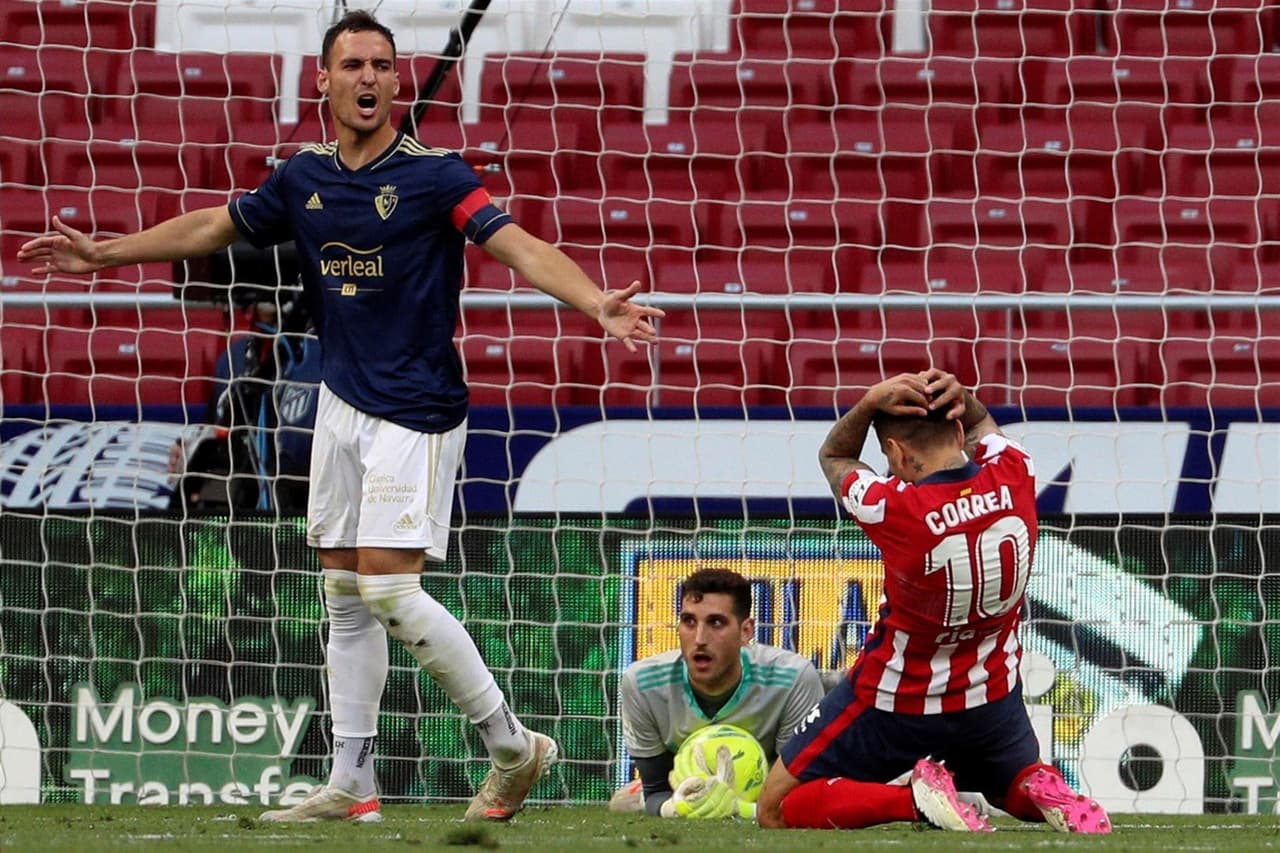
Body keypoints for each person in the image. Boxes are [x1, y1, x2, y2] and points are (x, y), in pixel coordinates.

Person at [18, 10, 663, 824]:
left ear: (398, 80)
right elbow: (214, 225)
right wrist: (106, 253)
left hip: (418, 408)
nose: (368, 77)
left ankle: (511, 743)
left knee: (389, 588)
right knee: (342, 593)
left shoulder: (436, 176)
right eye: (352, 64)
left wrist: (594, 300)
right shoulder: (301, 177)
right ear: (322, 80)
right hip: (341, 403)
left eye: (382, 66)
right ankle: (352, 779)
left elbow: (517, 245)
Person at [754, 369, 1111, 834]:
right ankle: (1039, 784)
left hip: (896, 700)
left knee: (776, 807)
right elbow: (986, 428)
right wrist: (966, 396)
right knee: (1011, 779)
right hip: (991, 696)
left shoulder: (895, 506)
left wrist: (866, 405)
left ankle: (917, 801)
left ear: (895, 452)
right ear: (958, 430)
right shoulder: (1015, 470)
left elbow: (835, 454)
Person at [612, 568, 825, 818]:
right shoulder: (642, 684)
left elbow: (800, 791)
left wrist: (737, 808)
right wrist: (675, 806)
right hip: (683, 789)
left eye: (715, 623)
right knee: (620, 804)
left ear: (746, 631)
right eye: (689, 622)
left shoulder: (793, 679)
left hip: (767, 792)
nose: (700, 639)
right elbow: (657, 789)